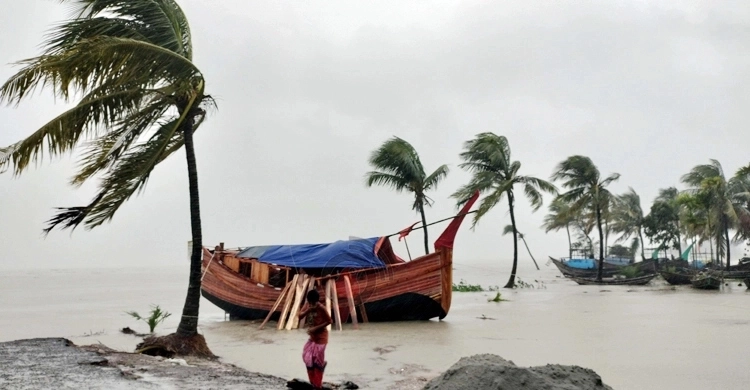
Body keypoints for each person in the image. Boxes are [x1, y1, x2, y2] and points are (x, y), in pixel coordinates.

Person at [298, 289, 332, 389]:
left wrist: (315, 328)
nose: (312, 304)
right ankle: (313, 382)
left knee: (317, 362)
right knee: (307, 357)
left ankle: (317, 385)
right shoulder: (307, 305)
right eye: (310, 302)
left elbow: (329, 321)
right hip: (312, 338)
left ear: (317, 301)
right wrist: (309, 309)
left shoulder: (321, 308)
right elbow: (299, 316)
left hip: (321, 338)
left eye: (313, 303)